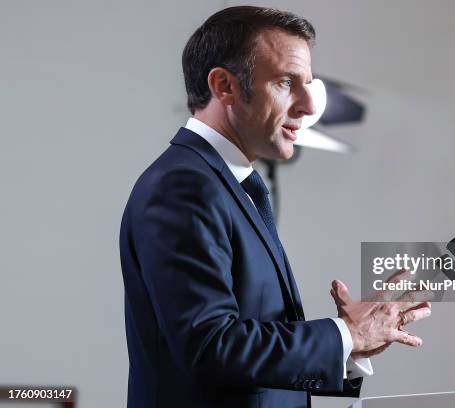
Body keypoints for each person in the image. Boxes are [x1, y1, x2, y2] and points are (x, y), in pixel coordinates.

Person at [119, 6, 432, 408]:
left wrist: (348, 347)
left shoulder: (225, 183)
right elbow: (211, 345)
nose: (307, 105)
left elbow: (243, 356)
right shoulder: (183, 186)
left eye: (308, 84)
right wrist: (346, 333)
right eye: (287, 82)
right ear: (224, 86)